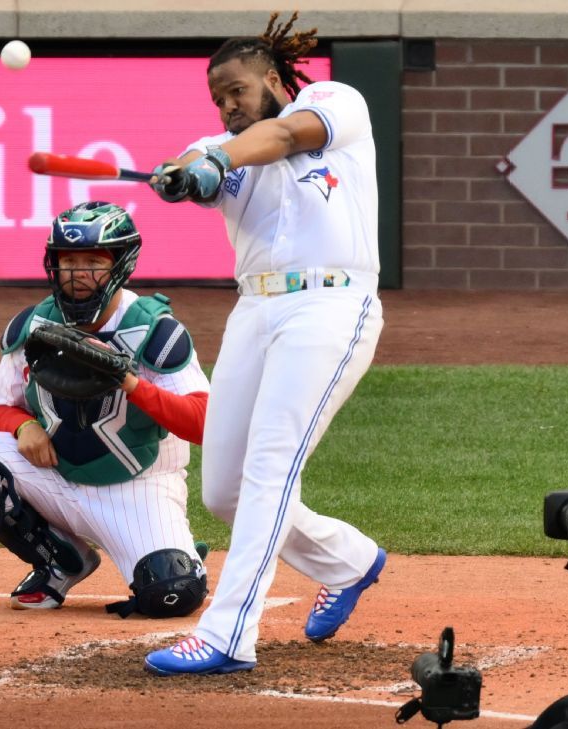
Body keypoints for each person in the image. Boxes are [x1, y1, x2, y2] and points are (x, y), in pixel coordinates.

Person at [142, 12, 388, 675]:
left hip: (332, 305)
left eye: (238, 91)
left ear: (273, 79)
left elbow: (280, 136)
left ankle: (227, 633)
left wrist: (215, 158)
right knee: (224, 490)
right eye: (219, 99)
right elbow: (200, 163)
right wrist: (181, 172)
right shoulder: (221, 147)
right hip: (255, 311)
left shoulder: (335, 104)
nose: (228, 107)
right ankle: (350, 560)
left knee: (271, 466)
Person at [0, 201, 213, 619]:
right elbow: (1, 403)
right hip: (55, 475)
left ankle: (177, 550)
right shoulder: (33, 326)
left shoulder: (155, 332)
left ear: (119, 264)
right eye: (68, 262)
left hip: (136, 488)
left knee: (172, 592)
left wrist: (128, 382)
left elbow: (203, 423)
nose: (78, 274)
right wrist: (24, 427)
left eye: (93, 262)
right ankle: (60, 560)